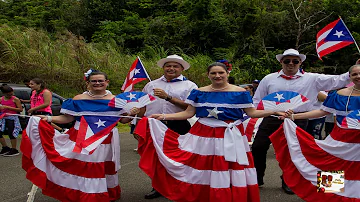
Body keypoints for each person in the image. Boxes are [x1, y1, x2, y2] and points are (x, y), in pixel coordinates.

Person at [135, 62, 286, 202]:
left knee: (229, 166)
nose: (217, 76)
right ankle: (206, 195)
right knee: (202, 166)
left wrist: (274, 111)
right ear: (208, 75)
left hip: (232, 134)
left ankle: (228, 195)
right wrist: (162, 116)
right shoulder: (198, 92)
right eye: (213, 73)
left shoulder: (240, 92)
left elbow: (252, 113)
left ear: (227, 73)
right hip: (204, 135)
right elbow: (188, 113)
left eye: (221, 72)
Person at [21, 70, 140, 202]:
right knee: (87, 167)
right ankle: (89, 196)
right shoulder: (78, 99)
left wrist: (133, 113)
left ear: (107, 82)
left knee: (103, 167)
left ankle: (105, 193)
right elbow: (67, 118)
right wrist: (48, 118)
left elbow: (123, 120)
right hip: (82, 137)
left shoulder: (117, 100)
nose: (97, 83)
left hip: (106, 140)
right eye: (93, 81)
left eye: (100, 80)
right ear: (88, 83)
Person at [252, 48, 351, 194]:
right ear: (281, 62)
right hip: (272, 117)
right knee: (258, 147)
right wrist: (266, 112)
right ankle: (256, 178)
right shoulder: (269, 79)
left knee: (295, 151)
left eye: (295, 61)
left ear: (300, 62)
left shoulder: (312, 78)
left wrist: (352, 72)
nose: (291, 64)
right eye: (287, 61)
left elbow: (337, 80)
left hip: (299, 118)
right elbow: (257, 101)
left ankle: (289, 181)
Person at [272, 64, 360, 201]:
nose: (358, 76)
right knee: (331, 168)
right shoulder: (338, 94)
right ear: (350, 77)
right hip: (340, 142)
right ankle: (330, 198)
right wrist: (294, 116)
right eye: (354, 74)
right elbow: (322, 111)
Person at [141, 54, 198, 199]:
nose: (171, 68)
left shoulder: (190, 85)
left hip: (178, 124)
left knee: (180, 157)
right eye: (168, 66)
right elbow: (143, 105)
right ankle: (158, 187)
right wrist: (137, 122)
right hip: (155, 124)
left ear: (181, 69)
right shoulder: (151, 84)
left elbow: (191, 107)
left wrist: (168, 97)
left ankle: (181, 185)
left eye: (175, 66)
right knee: (156, 157)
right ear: (163, 68)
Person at [0, 84, 23, 156]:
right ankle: (5, 147)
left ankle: (14, 149)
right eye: (8, 94)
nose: (10, 95)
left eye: (11, 93)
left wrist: (8, 107)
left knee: (11, 133)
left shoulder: (15, 99)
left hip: (12, 117)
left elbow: (20, 109)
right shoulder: (1, 99)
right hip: (3, 117)